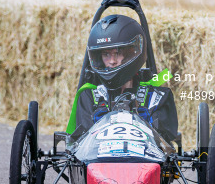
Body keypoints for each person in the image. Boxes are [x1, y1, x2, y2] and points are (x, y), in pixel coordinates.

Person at [71, 14, 178, 142]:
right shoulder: (89, 96)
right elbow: (81, 143)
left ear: (131, 53)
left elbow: (165, 142)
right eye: (106, 54)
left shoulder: (156, 97)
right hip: (99, 159)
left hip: (144, 159)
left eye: (117, 53)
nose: (111, 61)